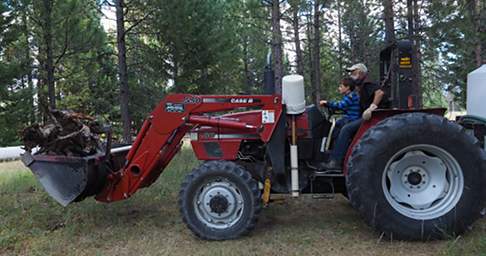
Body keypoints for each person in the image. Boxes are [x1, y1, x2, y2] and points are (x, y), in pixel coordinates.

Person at [320, 63, 388, 170]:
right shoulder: (359, 88)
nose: (351, 75)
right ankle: (333, 153)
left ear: (360, 73)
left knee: (346, 129)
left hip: (372, 116)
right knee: (338, 125)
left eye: (353, 72)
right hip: (364, 116)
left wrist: (372, 108)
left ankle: (336, 161)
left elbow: (379, 93)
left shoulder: (367, 84)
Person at [319, 77, 361, 141]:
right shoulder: (350, 96)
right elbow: (344, 108)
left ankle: (335, 142)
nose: (339, 88)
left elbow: (340, 105)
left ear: (347, 87)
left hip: (351, 119)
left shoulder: (350, 96)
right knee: (336, 123)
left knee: (335, 126)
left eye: (341, 86)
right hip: (350, 117)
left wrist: (327, 103)